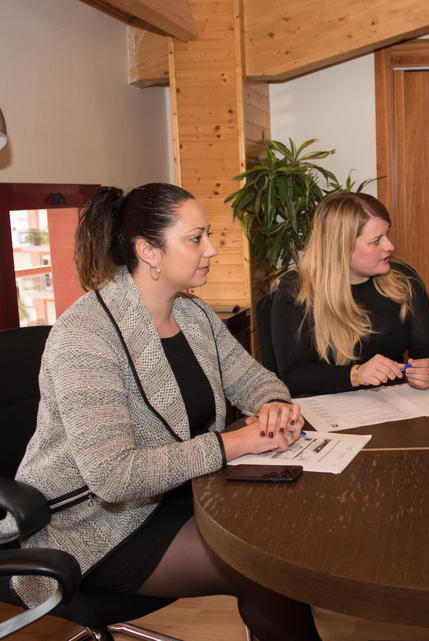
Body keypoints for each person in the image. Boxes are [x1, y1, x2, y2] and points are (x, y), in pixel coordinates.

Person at [0, 184, 323, 641]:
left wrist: (272, 405)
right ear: (148, 251)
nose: (211, 248)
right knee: (270, 574)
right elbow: (113, 477)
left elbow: (256, 380)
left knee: (283, 543)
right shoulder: (85, 336)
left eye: (207, 235)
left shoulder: (195, 316)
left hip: (178, 495)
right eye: (196, 239)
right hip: (96, 524)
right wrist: (236, 442)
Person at [271, 191, 429, 395]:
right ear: (341, 248)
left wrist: (427, 365)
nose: (390, 246)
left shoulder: (403, 279)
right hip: (328, 411)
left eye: (387, 234)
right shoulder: (297, 290)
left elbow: (428, 347)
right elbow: (293, 375)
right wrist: (356, 375)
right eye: (376, 240)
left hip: (392, 403)